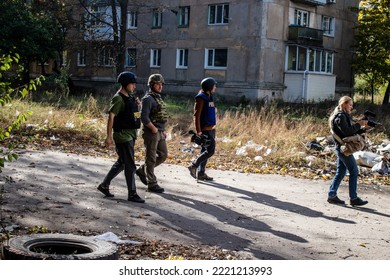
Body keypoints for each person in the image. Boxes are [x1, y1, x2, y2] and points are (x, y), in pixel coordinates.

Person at [97, 71, 145, 203]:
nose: (134, 86)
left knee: (123, 162)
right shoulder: (118, 98)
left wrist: (138, 106)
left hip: (130, 134)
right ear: (125, 84)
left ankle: (104, 185)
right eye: (132, 84)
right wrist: (108, 137)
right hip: (122, 135)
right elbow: (111, 117)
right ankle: (132, 193)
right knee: (130, 165)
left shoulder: (130, 98)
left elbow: (132, 115)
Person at [327, 95, 369, 206]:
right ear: (344, 104)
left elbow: (350, 131)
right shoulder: (340, 116)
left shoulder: (342, 116)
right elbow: (347, 132)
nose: (351, 107)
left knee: (341, 172)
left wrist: (363, 128)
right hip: (343, 149)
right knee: (354, 171)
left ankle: (332, 195)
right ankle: (354, 198)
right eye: (350, 105)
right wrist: (359, 124)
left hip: (341, 148)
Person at [135, 74, 168, 193]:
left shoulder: (158, 98)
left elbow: (160, 117)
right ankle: (152, 183)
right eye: (157, 84)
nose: (160, 86)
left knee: (163, 155)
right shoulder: (147, 99)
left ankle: (142, 170)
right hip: (151, 133)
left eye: (161, 84)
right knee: (151, 158)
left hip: (159, 131)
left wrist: (162, 130)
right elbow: (143, 117)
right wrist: (153, 128)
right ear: (151, 85)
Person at [188, 77, 217, 181]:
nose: (215, 87)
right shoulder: (201, 98)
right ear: (209, 87)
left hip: (210, 128)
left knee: (205, 150)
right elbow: (197, 115)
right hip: (204, 129)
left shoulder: (210, 96)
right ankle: (193, 165)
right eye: (214, 85)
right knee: (210, 150)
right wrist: (199, 131)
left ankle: (201, 173)